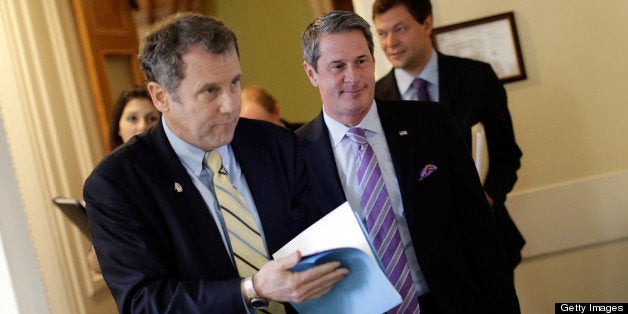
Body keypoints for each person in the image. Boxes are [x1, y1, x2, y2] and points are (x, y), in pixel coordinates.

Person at [83, 12, 347, 313]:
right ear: (160, 97)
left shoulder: (277, 145)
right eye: (210, 91)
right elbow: (143, 303)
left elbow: (323, 243)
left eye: (234, 83)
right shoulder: (118, 183)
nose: (230, 104)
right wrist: (251, 290)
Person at [297, 10, 520, 313]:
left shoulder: (431, 123)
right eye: (337, 66)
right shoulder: (295, 155)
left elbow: (479, 229)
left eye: (361, 61)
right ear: (311, 73)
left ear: (374, 61)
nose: (353, 76)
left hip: (449, 303)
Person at [372, 0, 525, 269]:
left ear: (427, 24)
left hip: (487, 239)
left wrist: (486, 198)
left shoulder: (477, 77)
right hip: (419, 256)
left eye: (400, 28)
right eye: (382, 33)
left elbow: (507, 153)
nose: (390, 42)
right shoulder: (375, 98)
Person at [87, 87, 160, 273]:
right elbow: (95, 264)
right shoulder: (105, 182)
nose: (142, 126)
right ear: (118, 127)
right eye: (132, 118)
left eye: (151, 118)